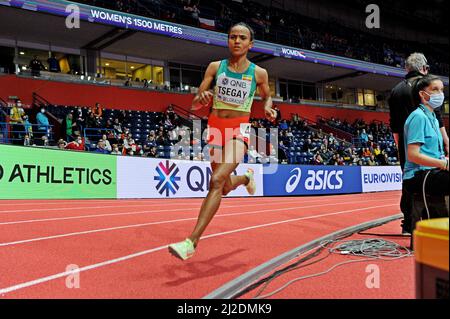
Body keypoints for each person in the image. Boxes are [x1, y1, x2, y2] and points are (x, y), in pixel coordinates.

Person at [168, 22, 277, 260]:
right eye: (232, 37)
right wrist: (202, 98)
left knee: (216, 180)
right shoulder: (215, 67)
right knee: (225, 187)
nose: (236, 41)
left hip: (239, 129)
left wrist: (269, 109)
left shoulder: (259, 73)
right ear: (228, 40)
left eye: (242, 38)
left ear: (251, 44)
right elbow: (194, 104)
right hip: (216, 129)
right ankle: (246, 177)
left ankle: (191, 242)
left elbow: (267, 97)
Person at [388, 53, 449, 235]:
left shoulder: (396, 90)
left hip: (409, 148)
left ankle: (409, 224)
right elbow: (437, 119)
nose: (439, 93)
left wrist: (402, 151)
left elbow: (395, 127)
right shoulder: (425, 89)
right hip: (424, 152)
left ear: (407, 68)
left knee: (410, 186)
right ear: (424, 68)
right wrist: (445, 142)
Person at [402, 75, 449, 229]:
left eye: (441, 90)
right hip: (417, 176)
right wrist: (443, 163)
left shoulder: (434, 118)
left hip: (432, 172)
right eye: (435, 89)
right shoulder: (418, 117)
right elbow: (413, 155)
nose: (440, 94)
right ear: (423, 94)